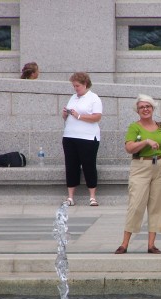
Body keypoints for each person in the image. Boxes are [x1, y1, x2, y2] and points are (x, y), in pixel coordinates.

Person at [115, 94, 161, 254]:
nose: (145, 109)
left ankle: (151, 244)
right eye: (142, 107)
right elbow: (129, 148)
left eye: (148, 106)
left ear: (153, 108)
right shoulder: (135, 127)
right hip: (141, 166)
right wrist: (145, 142)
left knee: (157, 205)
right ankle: (124, 243)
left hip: (160, 166)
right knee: (136, 203)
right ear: (137, 110)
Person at [62, 72, 102, 206]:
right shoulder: (73, 97)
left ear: (85, 84)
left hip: (88, 137)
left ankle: (92, 196)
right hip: (69, 136)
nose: (75, 88)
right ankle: (70, 197)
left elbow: (97, 117)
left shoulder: (94, 98)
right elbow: (67, 117)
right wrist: (65, 114)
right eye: (74, 86)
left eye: (77, 86)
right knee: (71, 165)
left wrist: (79, 116)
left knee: (88, 165)